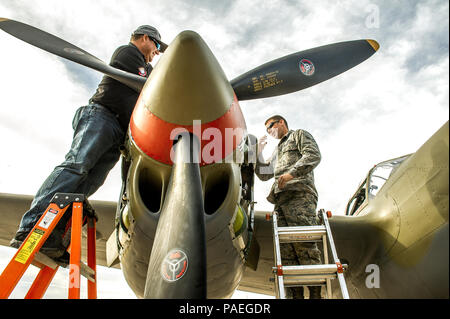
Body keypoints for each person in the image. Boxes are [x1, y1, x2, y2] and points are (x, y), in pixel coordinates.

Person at [10, 25, 168, 260]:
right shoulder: (128, 54)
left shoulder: (147, 67)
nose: (157, 52)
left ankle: (52, 236)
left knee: (91, 181)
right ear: (145, 38)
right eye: (156, 45)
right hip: (102, 116)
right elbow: (150, 84)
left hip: (119, 133)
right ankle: (32, 225)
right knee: (77, 166)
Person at [255, 115, 322, 299]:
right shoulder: (277, 151)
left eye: (270, 126)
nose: (269, 131)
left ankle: (315, 292)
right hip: (280, 200)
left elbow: (313, 155)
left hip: (299, 194)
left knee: (304, 242)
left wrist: (291, 174)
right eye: (267, 130)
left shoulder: (298, 135)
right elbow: (263, 174)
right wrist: (259, 153)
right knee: (286, 251)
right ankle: (296, 293)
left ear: (281, 122)